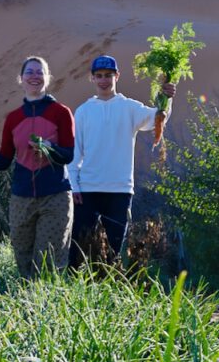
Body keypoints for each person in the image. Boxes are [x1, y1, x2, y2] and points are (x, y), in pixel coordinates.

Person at [0, 56, 74, 277]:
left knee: (48, 261)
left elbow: (68, 155)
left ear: (48, 77)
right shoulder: (13, 118)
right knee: (23, 259)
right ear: (21, 78)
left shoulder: (61, 112)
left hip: (55, 195)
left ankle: (47, 298)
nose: (34, 76)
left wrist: (49, 147)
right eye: (29, 72)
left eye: (40, 72)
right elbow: (3, 160)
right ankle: (26, 298)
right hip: (21, 198)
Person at [68, 54, 176, 268]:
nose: (104, 80)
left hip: (120, 190)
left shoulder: (130, 107)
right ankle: (74, 284)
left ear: (117, 76)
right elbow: (75, 152)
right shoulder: (83, 111)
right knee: (80, 246)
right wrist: (74, 185)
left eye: (108, 75)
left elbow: (156, 118)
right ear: (92, 78)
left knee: (114, 249)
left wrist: (167, 97)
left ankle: (109, 284)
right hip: (88, 189)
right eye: (99, 75)